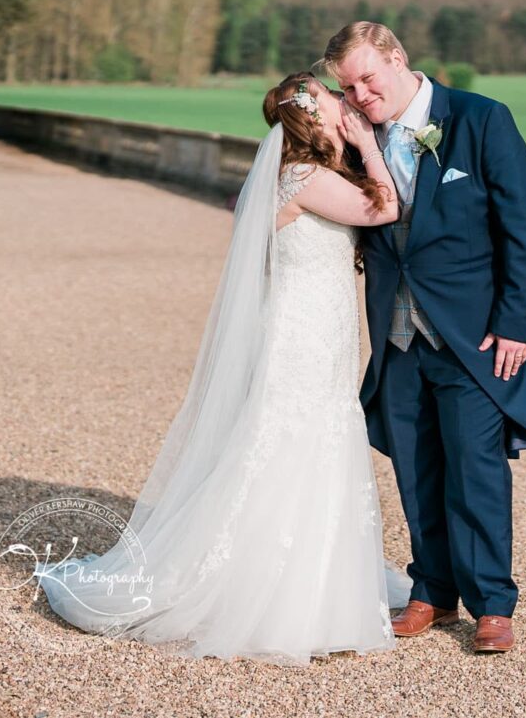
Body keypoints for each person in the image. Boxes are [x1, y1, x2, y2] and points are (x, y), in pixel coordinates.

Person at [36, 73, 413, 666]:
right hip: (303, 334)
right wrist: (368, 143)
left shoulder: (306, 175)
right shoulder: (305, 177)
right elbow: (385, 207)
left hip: (322, 328)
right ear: (312, 119)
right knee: (294, 438)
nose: (345, 105)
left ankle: (320, 580)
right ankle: (278, 595)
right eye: (332, 99)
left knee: (315, 436)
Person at [325, 21, 526, 654]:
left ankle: (492, 604)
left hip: (474, 334)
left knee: (475, 467)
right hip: (396, 333)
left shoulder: (479, 119)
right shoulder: (357, 135)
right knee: (415, 465)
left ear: (398, 60)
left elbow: (523, 231)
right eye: (349, 86)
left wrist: (513, 325)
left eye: (369, 77)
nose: (362, 94)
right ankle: (430, 590)